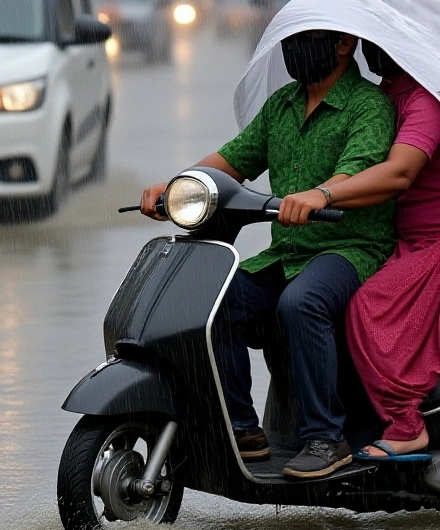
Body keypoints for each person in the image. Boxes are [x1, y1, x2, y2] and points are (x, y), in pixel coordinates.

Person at [140, 30, 395, 478]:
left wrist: (321, 194)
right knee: (214, 300)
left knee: (302, 304)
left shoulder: (368, 106)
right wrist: (176, 185)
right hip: (288, 253)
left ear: (344, 46)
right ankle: (243, 429)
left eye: (308, 39)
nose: (295, 49)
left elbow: (359, 168)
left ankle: (325, 438)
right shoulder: (283, 104)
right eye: (290, 39)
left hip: (350, 249)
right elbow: (233, 159)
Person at [278, 40, 440, 460]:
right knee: (328, 302)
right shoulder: (382, 94)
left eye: (381, 39)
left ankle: (407, 424)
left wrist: (323, 195)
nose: (371, 48)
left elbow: (400, 172)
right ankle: (349, 427)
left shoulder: (427, 97)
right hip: (404, 242)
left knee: (369, 306)